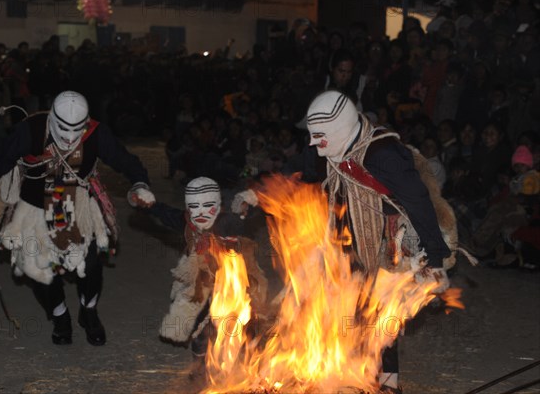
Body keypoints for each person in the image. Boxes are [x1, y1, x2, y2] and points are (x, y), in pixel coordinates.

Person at [233, 90, 458, 393]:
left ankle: (389, 382)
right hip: (351, 238)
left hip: (393, 242)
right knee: (348, 305)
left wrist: (435, 255)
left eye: (319, 136)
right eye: (312, 136)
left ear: (340, 128)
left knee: (384, 311)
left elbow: (418, 201)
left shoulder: (383, 155)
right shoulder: (328, 149)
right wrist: (256, 193)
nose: (313, 143)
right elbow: (296, 169)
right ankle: (346, 370)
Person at [0, 90, 156, 346]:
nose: (68, 140)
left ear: (85, 124)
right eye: (62, 132)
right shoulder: (30, 131)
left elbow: (126, 161)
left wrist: (140, 183)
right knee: (40, 269)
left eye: (75, 133)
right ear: (51, 121)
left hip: (77, 205)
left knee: (90, 265)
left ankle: (88, 312)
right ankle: (60, 316)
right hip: (33, 209)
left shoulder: (97, 134)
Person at [151, 177, 268, 385]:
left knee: (246, 320)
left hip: (233, 282)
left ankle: (250, 360)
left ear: (218, 205)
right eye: (194, 207)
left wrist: (249, 204)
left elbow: (248, 218)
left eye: (208, 206)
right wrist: (150, 205)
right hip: (201, 283)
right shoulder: (185, 222)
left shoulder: (228, 222)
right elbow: (164, 214)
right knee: (200, 326)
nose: (202, 213)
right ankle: (199, 365)